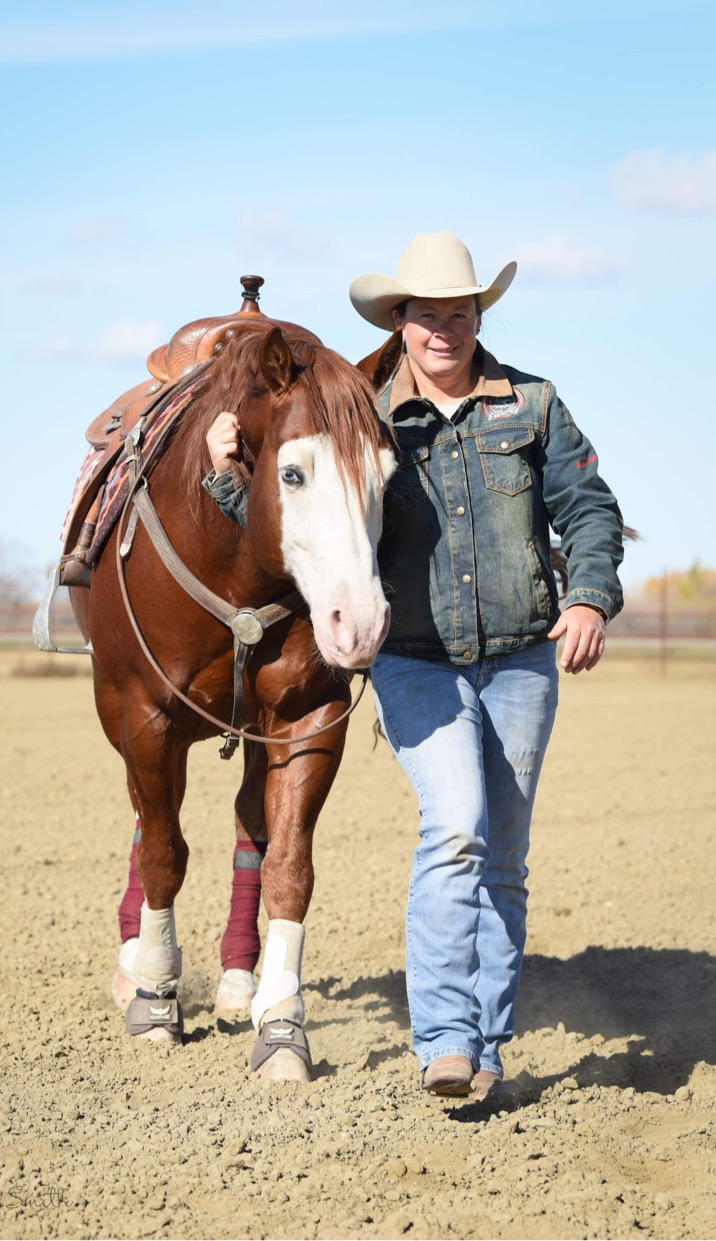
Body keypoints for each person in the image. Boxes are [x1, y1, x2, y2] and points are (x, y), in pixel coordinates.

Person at [122, 230, 625, 1101]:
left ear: (479, 314)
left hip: (519, 663)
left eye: (459, 310)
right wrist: (220, 475)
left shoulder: (533, 404)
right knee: (457, 824)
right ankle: (438, 1038)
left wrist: (587, 594)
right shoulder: (362, 407)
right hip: (417, 659)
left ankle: (486, 1040)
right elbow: (304, 509)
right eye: (425, 313)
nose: (443, 327)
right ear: (400, 319)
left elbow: (588, 505)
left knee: (503, 856)